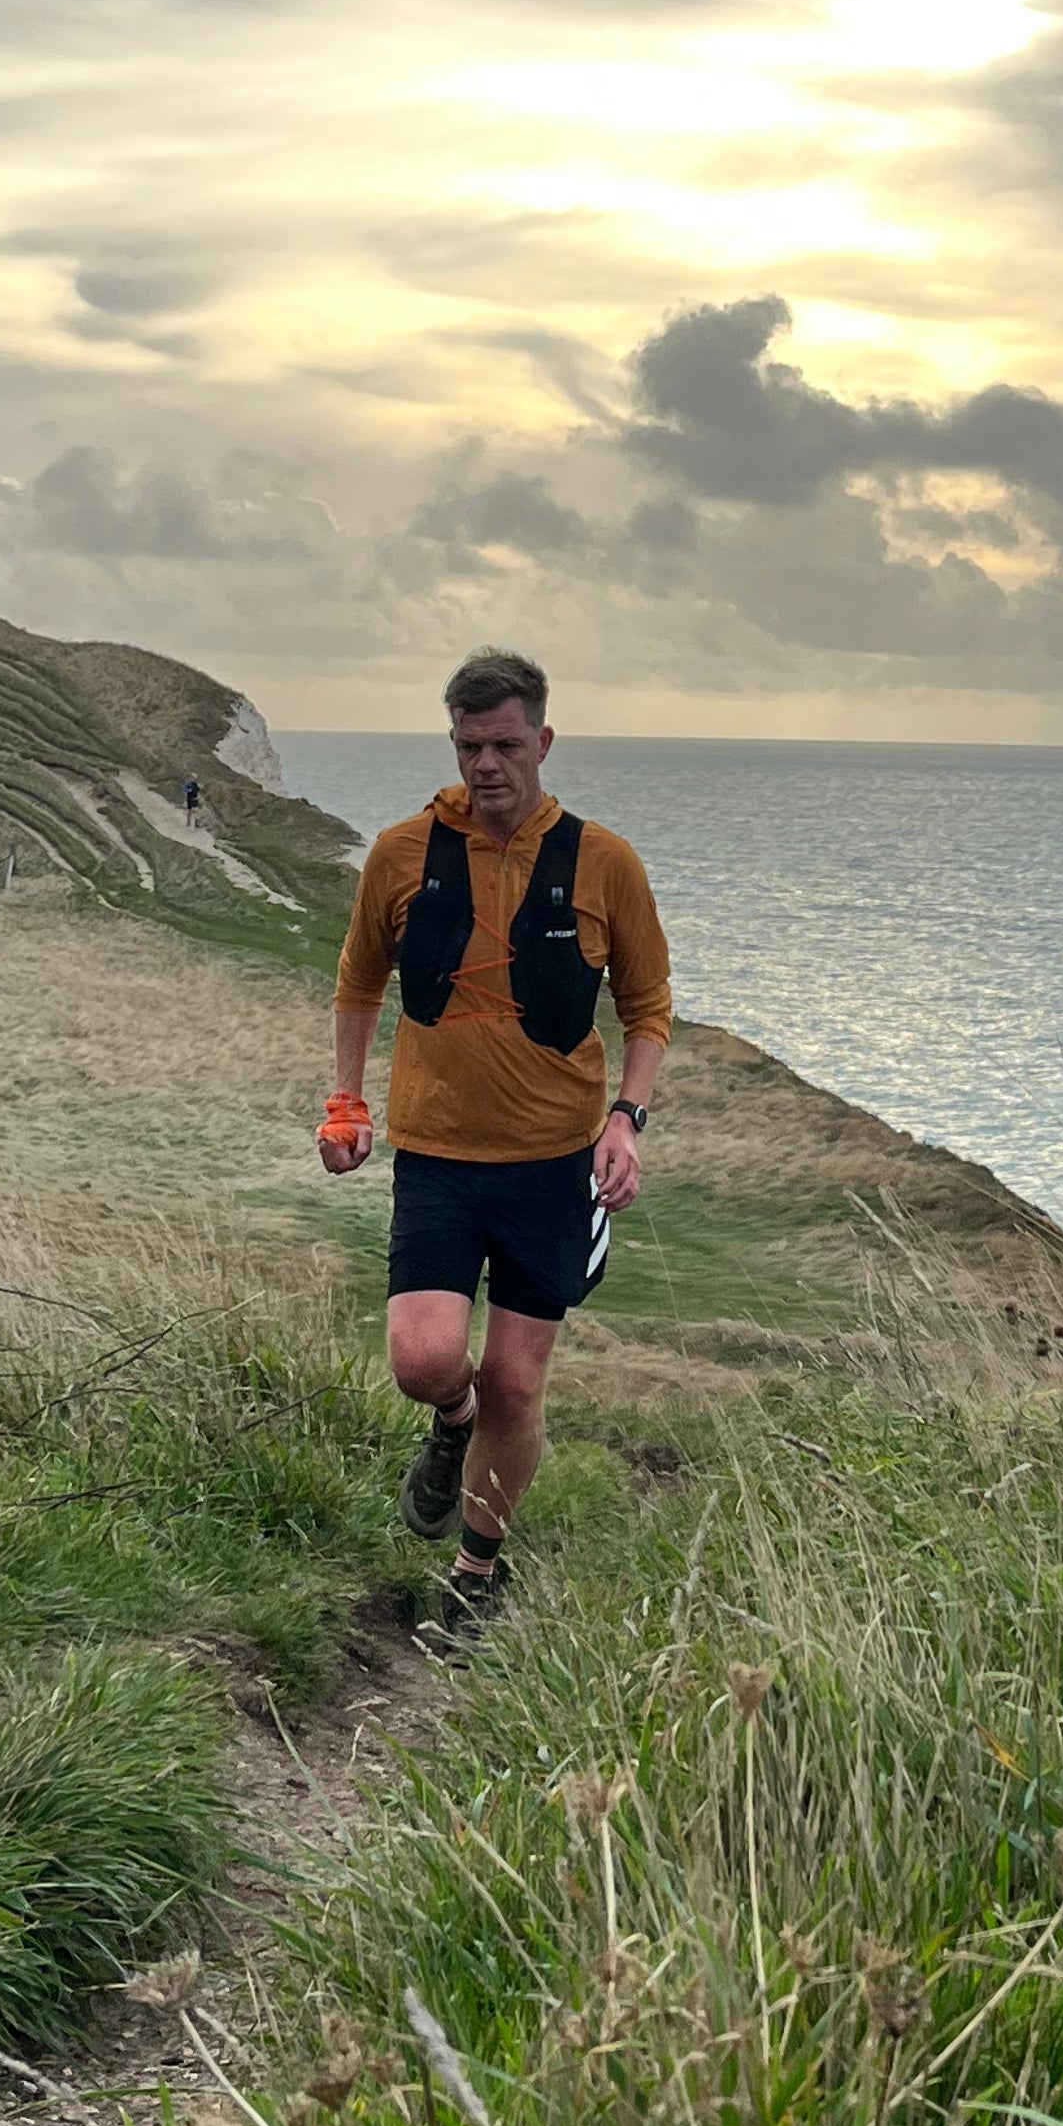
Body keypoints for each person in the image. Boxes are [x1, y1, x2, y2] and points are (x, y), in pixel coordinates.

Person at [320, 646, 670, 1646]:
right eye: (470, 745)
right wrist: (346, 1101)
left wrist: (626, 1119)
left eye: (507, 745)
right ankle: (452, 1425)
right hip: (437, 1157)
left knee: (517, 1380)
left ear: (543, 742)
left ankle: (475, 1574)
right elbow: (358, 981)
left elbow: (647, 1007)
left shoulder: (605, 863)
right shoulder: (402, 854)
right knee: (426, 1360)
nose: (487, 764)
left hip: (554, 1166)